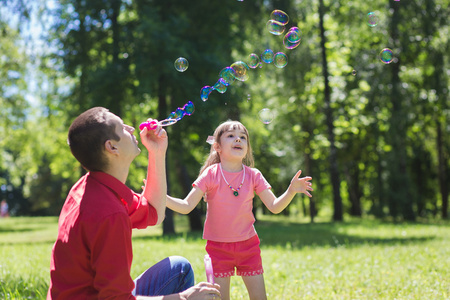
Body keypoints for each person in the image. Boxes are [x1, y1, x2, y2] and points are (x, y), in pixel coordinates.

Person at [47, 107, 221, 300]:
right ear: (112, 147)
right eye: (122, 127)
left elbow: (154, 212)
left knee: (178, 268)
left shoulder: (94, 187)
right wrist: (185, 298)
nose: (131, 128)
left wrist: (156, 152)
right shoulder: (109, 214)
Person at [166, 120, 313, 300]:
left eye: (243, 137)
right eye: (231, 136)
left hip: (248, 246)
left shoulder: (253, 175)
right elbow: (186, 206)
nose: (238, 140)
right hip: (218, 248)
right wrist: (162, 197)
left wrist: (290, 191)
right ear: (218, 147)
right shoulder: (211, 174)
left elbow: (274, 207)